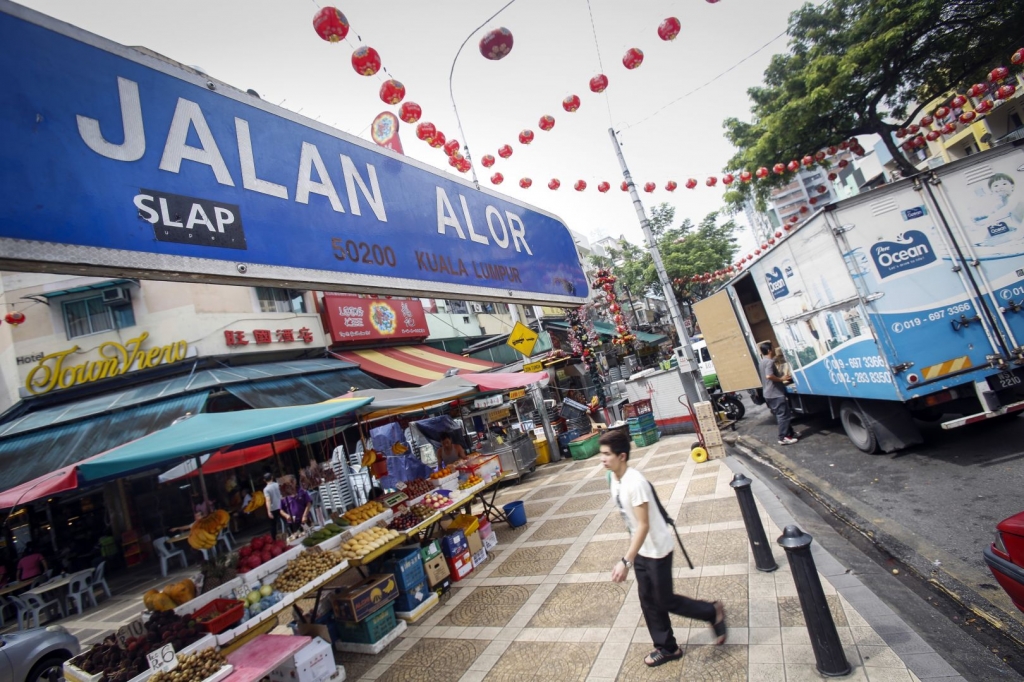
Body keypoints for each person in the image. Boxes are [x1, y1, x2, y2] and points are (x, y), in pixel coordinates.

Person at [600, 430, 725, 667]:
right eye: (602, 454)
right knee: (648, 601)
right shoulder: (614, 479)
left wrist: (625, 561)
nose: (603, 459)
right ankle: (667, 648)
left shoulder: (634, 483)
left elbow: (644, 525)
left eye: (607, 454)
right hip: (641, 551)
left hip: (657, 550)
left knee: (665, 600)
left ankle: (712, 611)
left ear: (622, 456)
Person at [760, 341, 797, 445]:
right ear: (769, 350)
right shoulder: (769, 362)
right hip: (775, 393)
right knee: (783, 416)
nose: (775, 349)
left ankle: (790, 434)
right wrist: (781, 379)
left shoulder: (762, 362)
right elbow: (769, 376)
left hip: (768, 394)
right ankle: (783, 438)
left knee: (783, 415)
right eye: (773, 347)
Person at [263, 471, 283, 539]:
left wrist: (268, 511)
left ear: (264, 480)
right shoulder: (278, 484)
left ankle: (274, 539)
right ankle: (293, 532)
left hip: (273, 508)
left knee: (273, 525)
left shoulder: (266, 489)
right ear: (272, 477)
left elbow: (268, 500)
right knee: (286, 520)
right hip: (281, 505)